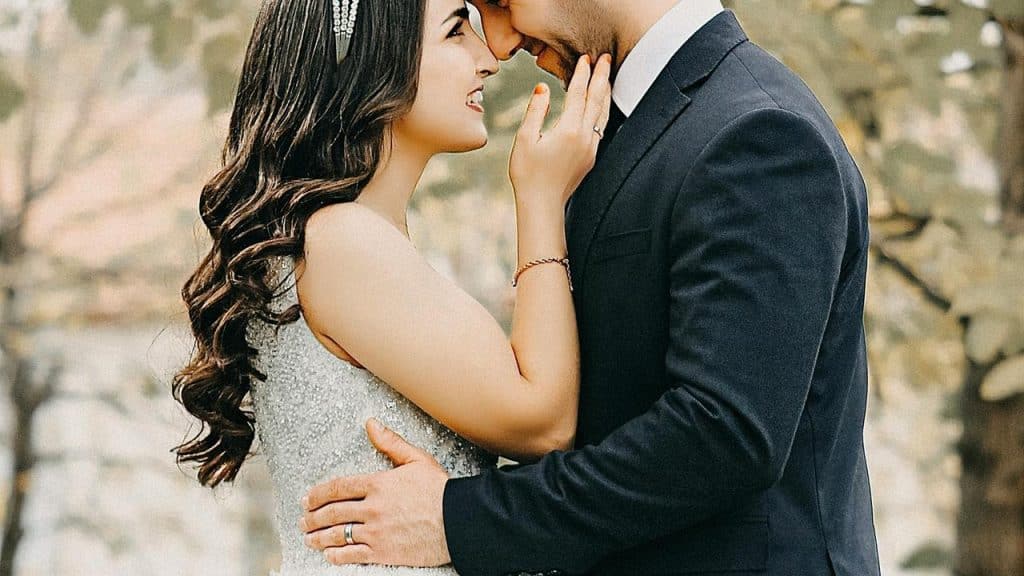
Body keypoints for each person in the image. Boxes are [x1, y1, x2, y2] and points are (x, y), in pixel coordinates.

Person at [300, 1, 882, 575]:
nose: (501, 44)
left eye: (501, 3)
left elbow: (723, 434)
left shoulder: (758, 129)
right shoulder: (622, 132)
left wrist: (460, 519)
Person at [170, 0, 611, 573]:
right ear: (373, 62)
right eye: (456, 31)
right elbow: (544, 423)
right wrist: (541, 200)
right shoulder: (341, 242)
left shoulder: (338, 239)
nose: (489, 59)